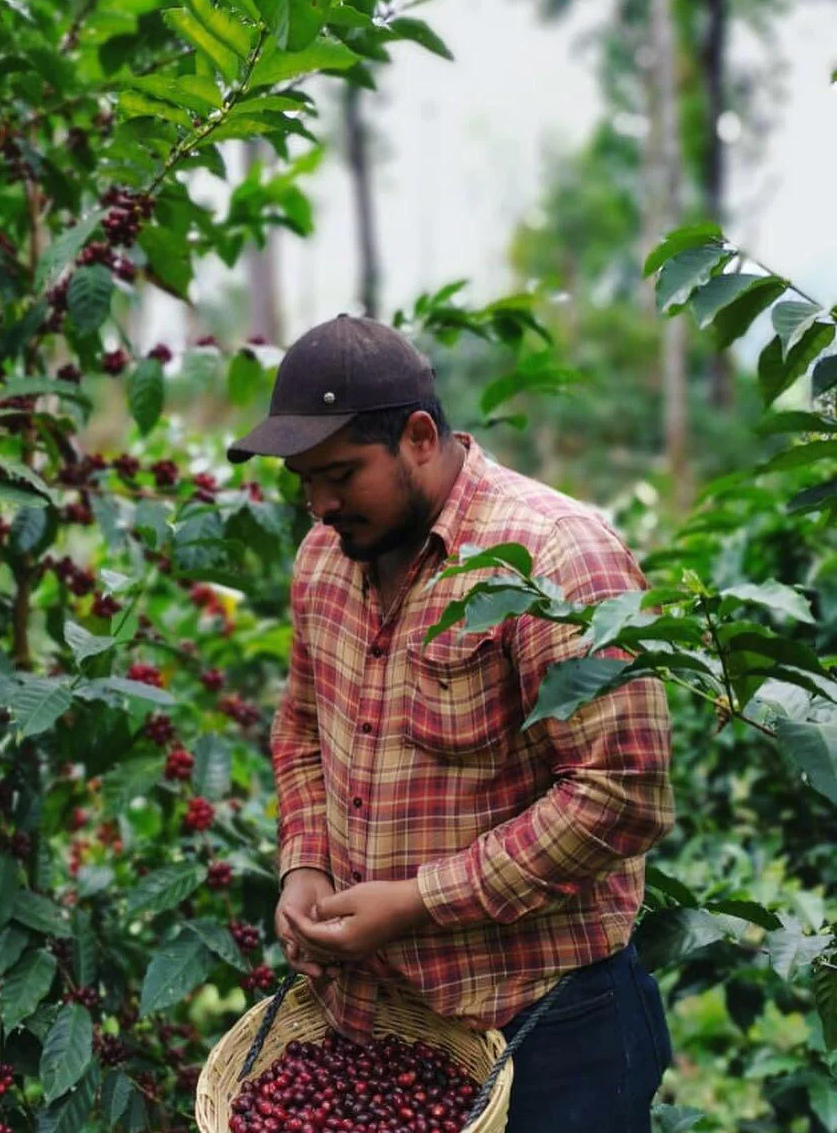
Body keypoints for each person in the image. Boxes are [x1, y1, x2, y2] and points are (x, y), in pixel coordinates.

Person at [226, 314, 675, 1130]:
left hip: (549, 1029)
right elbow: (300, 731)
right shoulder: (326, 558)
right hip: (377, 1025)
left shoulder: (555, 558)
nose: (319, 504)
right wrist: (303, 865)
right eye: (303, 479)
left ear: (421, 436)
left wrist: (416, 903)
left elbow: (623, 794)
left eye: (340, 473)